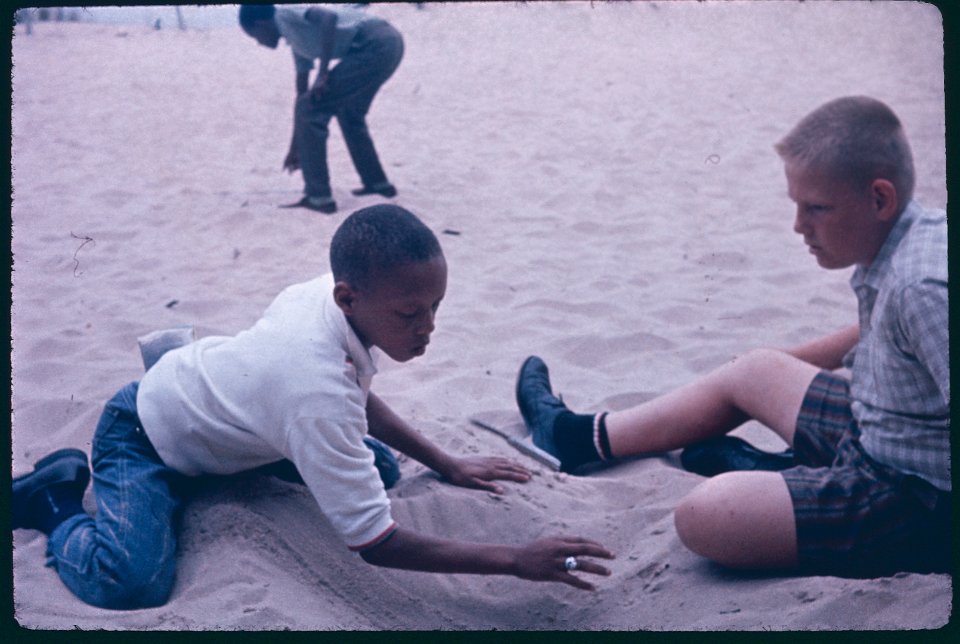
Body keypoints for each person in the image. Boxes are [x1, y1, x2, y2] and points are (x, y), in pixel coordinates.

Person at [13, 205, 614, 610]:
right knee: (132, 583)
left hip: (224, 415)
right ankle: (53, 497)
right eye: (410, 314)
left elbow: (352, 396)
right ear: (348, 297)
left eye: (436, 306)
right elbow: (376, 541)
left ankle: (218, 464)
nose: (428, 328)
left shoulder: (326, 299)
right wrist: (515, 560)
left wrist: (446, 461)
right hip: (142, 434)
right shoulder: (312, 389)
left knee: (379, 470)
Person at [515, 96, 950, 578]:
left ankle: (786, 481)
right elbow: (884, 335)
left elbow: (921, 318)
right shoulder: (906, 238)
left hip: (910, 494)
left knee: (706, 517)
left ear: (879, 199)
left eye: (816, 209)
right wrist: (766, 373)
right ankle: (575, 439)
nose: (799, 226)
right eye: (796, 206)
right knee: (756, 368)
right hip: (879, 427)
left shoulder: (924, 288)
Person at [240, 4, 403, 214]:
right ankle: (378, 185)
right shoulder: (297, 43)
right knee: (347, 114)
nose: (259, 43)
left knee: (313, 110)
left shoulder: (285, 16)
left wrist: (323, 73)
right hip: (388, 43)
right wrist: (295, 147)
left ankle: (318, 196)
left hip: (374, 43)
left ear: (260, 24)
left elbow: (328, 18)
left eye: (255, 37)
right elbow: (301, 96)